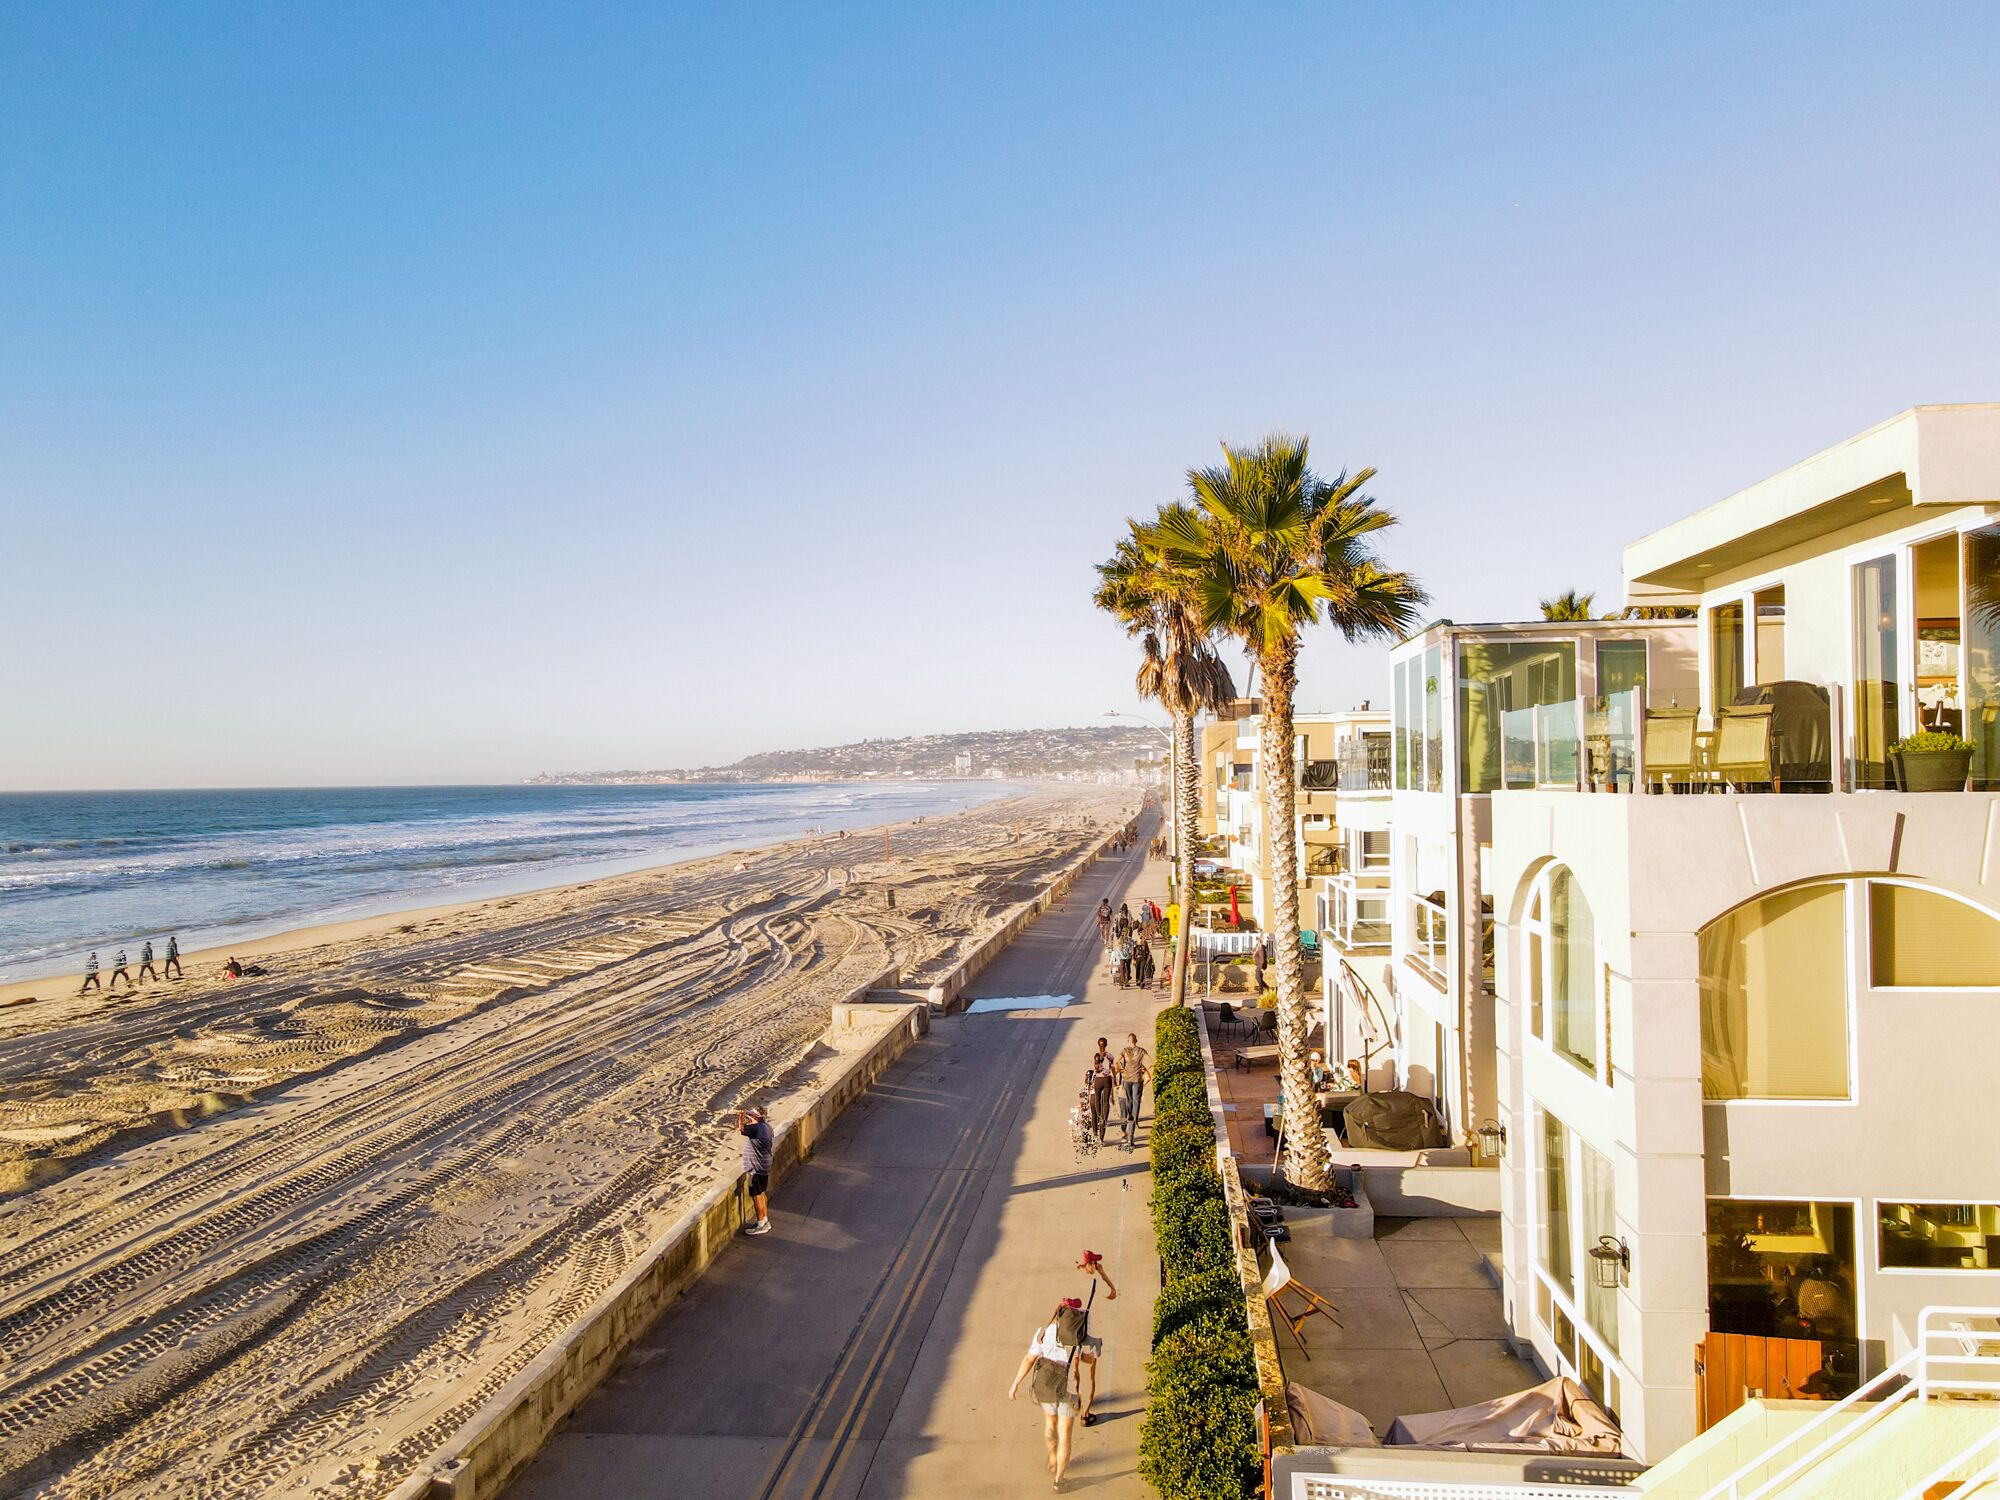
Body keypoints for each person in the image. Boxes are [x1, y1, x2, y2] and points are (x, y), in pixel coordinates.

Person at [1008, 1299, 1100, 1488]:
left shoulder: (1044, 1332)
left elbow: (1029, 1359)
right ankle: (1059, 1479)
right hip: (1070, 1390)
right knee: (1065, 1434)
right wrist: (1091, 1360)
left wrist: (1015, 1384)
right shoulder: (1078, 1335)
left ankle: (1052, 1458)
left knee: (1050, 1424)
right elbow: (1082, 1357)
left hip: (1047, 1385)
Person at [738, 1105, 775, 1235]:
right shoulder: (767, 1127)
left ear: (755, 1117)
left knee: (756, 1195)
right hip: (764, 1165)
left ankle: (760, 1223)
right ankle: (765, 1220)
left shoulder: (756, 1128)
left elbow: (741, 1129)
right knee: (762, 1193)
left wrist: (741, 1117)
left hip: (756, 1168)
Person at [1116, 1032, 1150, 1150]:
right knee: (1136, 1104)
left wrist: (1124, 1070)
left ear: (1128, 1040)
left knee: (1129, 1104)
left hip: (1126, 1080)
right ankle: (1131, 1136)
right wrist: (1142, 1068)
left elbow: (1117, 1065)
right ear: (1137, 1040)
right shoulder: (1142, 1051)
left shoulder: (1124, 1050)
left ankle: (1129, 1125)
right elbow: (1151, 1062)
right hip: (1137, 1080)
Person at [1088, 1039, 1115, 1142]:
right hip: (1107, 1079)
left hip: (1098, 1080)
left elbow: (1096, 1069)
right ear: (1106, 1045)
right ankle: (1105, 1119)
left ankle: (1099, 1115)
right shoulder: (1110, 1056)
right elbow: (1112, 1068)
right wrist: (1115, 1080)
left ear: (1098, 1045)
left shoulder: (1096, 1056)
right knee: (1106, 1101)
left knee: (1097, 1098)